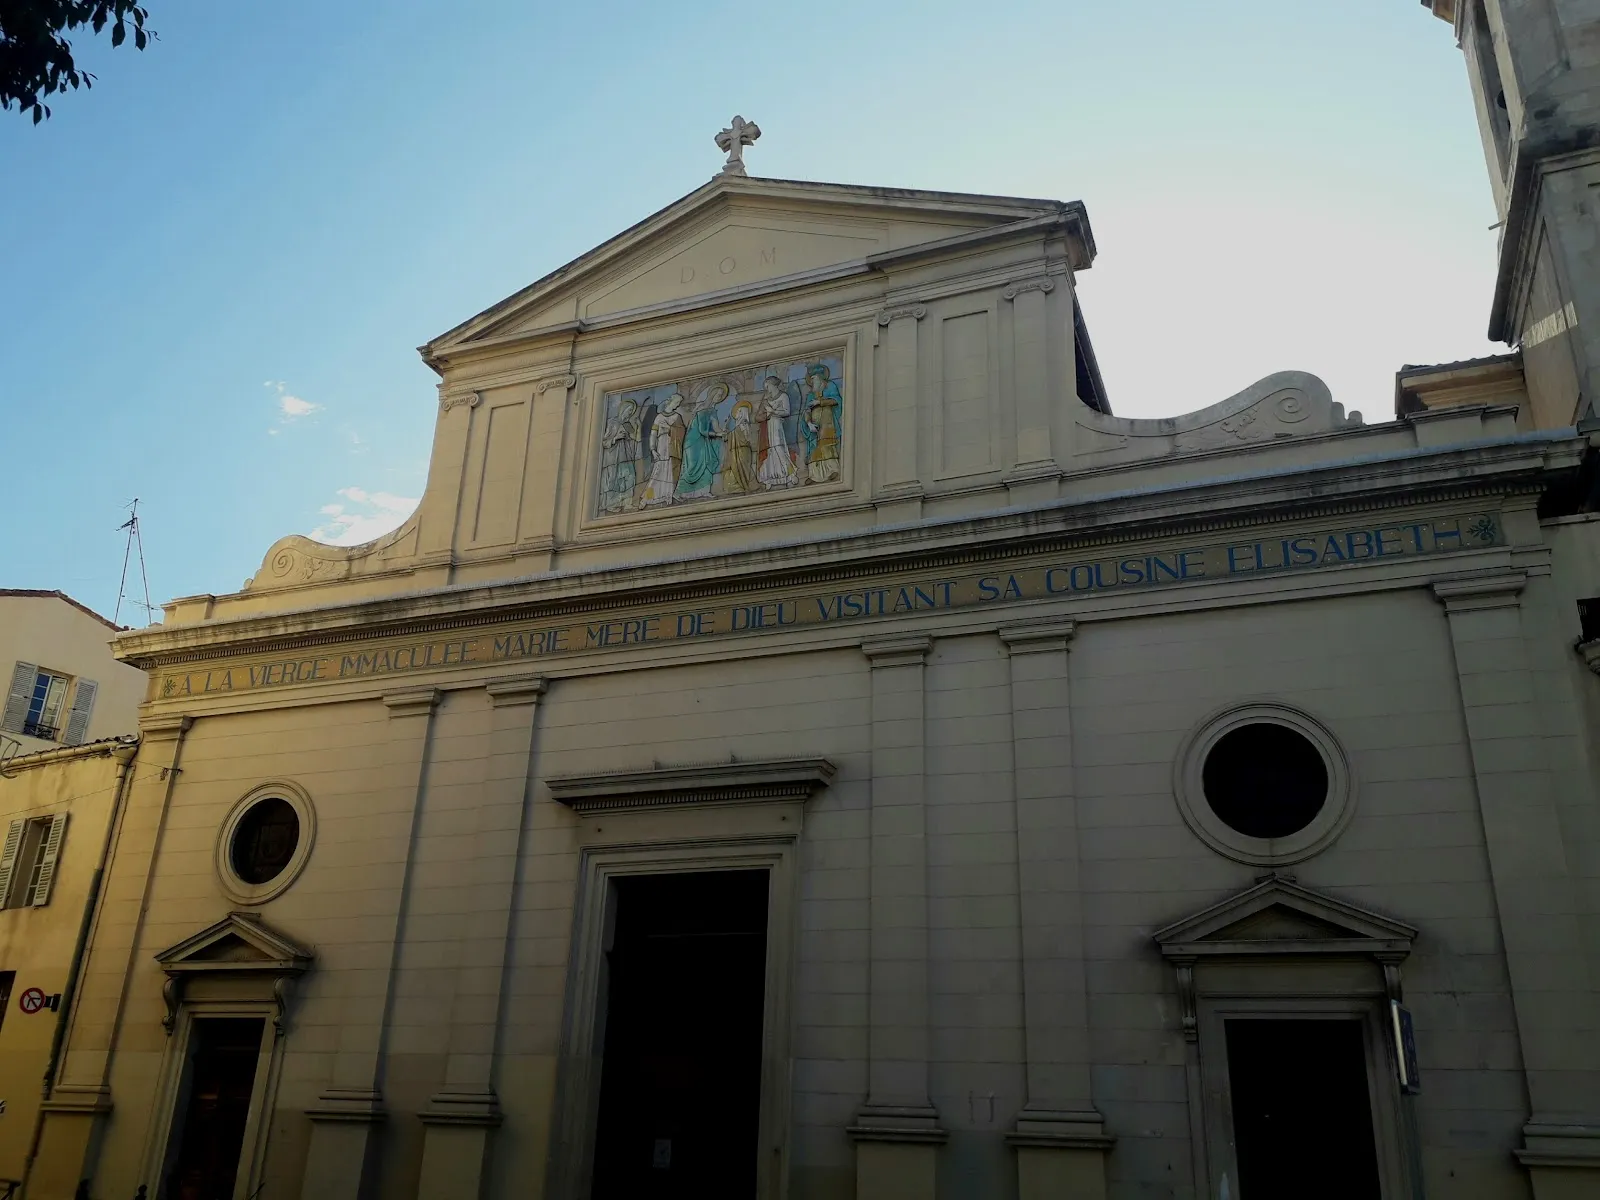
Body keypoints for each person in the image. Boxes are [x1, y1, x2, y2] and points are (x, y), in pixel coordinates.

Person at [676, 383, 728, 500]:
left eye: (721, 396)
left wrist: (722, 432)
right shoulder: (701, 408)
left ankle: (704, 491)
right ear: (712, 394)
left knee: (706, 464)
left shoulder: (713, 411)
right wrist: (717, 434)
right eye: (718, 395)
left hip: (704, 441)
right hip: (693, 442)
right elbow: (701, 429)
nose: (719, 397)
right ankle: (679, 493)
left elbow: (716, 427)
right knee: (691, 467)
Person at [640, 393, 684, 506]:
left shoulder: (677, 417)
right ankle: (647, 498)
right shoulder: (659, 417)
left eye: (678, 403)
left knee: (671, 473)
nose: (677, 405)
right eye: (677, 402)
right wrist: (653, 449)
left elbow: (682, 432)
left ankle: (668, 495)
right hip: (661, 447)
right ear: (671, 402)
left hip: (673, 449)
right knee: (657, 473)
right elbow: (653, 434)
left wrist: (669, 428)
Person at [756, 375, 798, 489]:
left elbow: (787, 411)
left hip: (777, 424)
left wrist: (772, 412)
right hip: (768, 426)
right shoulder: (766, 400)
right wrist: (767, 413)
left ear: (774, 385)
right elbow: (757, 417)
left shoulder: (783, 396)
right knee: (769, 450)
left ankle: (790, 474)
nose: (767, 389)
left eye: (768, 386)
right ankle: (769, 477)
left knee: (779, 447)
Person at [803, 363, 843, 484]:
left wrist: (819, 402)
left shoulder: (830, 387)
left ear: (820, 378)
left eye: (814, 378)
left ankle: (832, 470)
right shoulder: (810, 394)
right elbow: (806, 411)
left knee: (828, 444)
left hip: (827, 421)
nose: (812, 381)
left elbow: (836, 400)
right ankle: (815, 475)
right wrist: (809, 423)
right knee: (814, 448)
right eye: (810, 379)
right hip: (815, 424)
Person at [599, 398, 640, 511]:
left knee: (630, 477)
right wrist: (615, 438)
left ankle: (627, 503)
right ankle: (611, 504)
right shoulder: (613, 422)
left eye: (632, 411)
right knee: (613, 480)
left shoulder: (628, 425)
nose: (630, 413)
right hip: (613, 457)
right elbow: (604, 442)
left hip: (626, 456)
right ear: (623, 409)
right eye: (629, 410)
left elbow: (636, 440)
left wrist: (638, 426)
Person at [721, 401, 759, 495]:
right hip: (735, 451)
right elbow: (726, 437)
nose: (736, 414)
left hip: (743, 451)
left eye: (738, 412)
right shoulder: (738, 427)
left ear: (742, 413)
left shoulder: (744, 424)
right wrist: (725, 425)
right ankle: (738, 486)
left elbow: (747, 438)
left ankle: (746, 485)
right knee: (734, 467)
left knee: (742, 467)